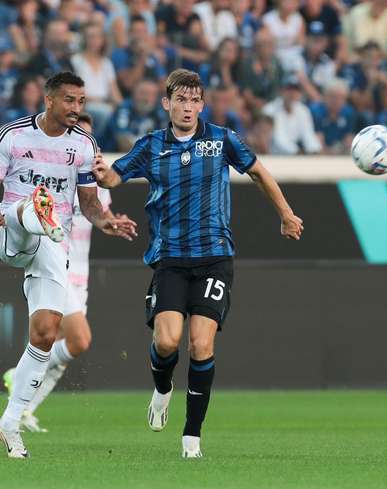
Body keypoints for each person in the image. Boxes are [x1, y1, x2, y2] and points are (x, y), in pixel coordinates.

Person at [93, 68, 303, 458]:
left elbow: (259, 172)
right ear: (167, 103)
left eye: (194, 100)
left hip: (214, 258)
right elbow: (112, 179)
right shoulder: (151, 146)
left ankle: (192, 437)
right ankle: (161, 389)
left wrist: (286, 214)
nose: (188, 107)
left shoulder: (223, 140)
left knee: (200, 345)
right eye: (181, 100)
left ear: (202, 104)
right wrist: (101, 173)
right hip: (170, 259)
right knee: (167, 340)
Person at [0, 71, 137, 458]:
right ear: (48, 100)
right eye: (69, 100)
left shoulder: (83, 146)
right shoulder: (12, 135)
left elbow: (89, 204)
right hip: (10, 228)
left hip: (52, 242)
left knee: (46, 333)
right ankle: (37, 208)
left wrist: (106, 222)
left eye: (81, 102)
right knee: (32, 205)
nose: (76, 108)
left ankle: (11, 423)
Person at [2, 113, 126, 433]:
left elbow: (100, 213)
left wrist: (111, 223)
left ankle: (24, 409)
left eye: (87, 138)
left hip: (80, 272)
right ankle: (18, 376)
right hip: (56, 265)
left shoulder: (94, 184)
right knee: (79, 339)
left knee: (61, 349)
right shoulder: (50, 176)